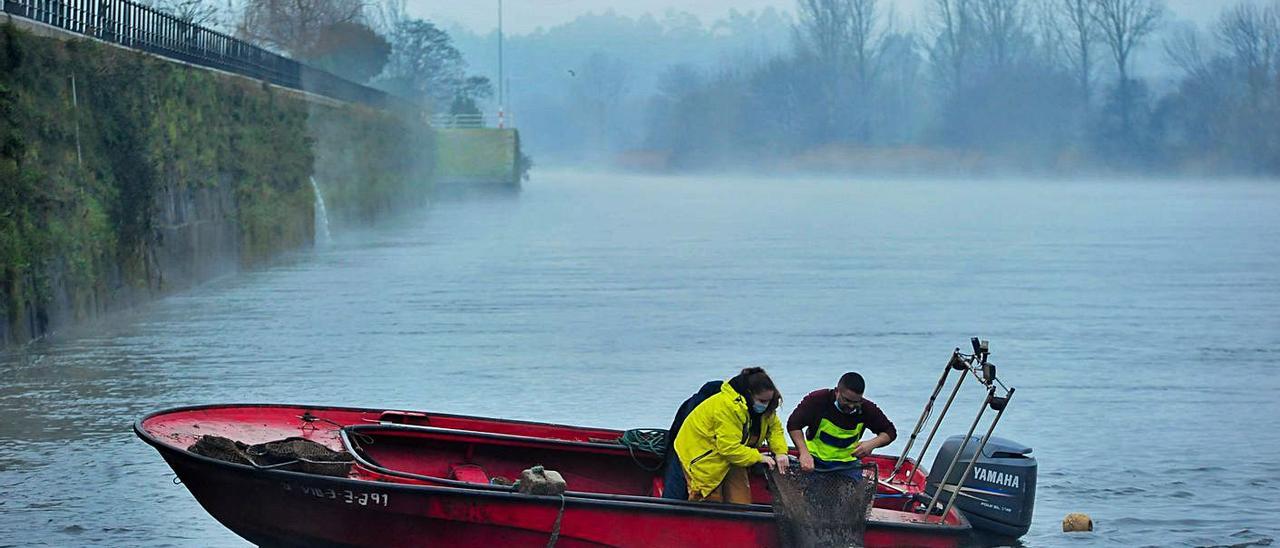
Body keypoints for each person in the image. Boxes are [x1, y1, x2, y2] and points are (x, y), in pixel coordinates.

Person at [673, 367, 791, 504]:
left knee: (741, 502)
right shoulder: (727, 407)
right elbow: (728, 448)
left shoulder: (767, 407)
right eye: (762, 401)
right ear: (749, 394)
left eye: (769, 401)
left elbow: (774, 429)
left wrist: (780, 452)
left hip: (735, 454)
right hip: (702, 453)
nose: (766, 405)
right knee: (709, 501)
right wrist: (758, 457)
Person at [787, 372, 896, 474]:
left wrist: (872, 444)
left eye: (856, 402)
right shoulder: (818, 400)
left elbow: (890, 432)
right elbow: (793, 424)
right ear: (837, 391)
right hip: (815, 461)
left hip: (848, 465)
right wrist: (804, 453)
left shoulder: (867, 409)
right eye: (847, 400)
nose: (851, 406)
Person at [660, 380, 722, 500]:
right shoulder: (714, 407)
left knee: (674, 493)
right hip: (695, 458)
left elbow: (674, 432)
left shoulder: (691, 403)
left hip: (680, 451)